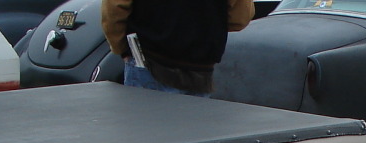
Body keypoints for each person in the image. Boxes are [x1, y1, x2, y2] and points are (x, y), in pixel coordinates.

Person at [102, 0, 254, 96]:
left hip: (149, 59)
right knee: (194, 139)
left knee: (147, 137)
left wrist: (121, 48)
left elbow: (114, 9)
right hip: (200, 67)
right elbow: (240, 17)